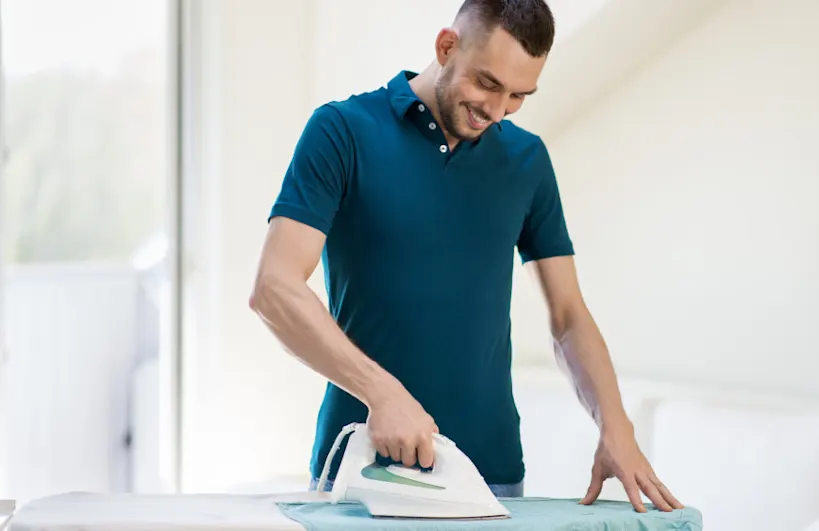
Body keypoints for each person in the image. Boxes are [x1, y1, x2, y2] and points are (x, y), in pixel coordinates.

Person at [249, 0, 681, 512]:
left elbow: (568, 315)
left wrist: (617, 426)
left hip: (491, 480)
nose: (496, 111)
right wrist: (380, 393)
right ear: (446, 46)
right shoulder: (342, 131)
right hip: (361, 473)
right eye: (488, 84)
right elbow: (275, 289)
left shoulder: (527, 161)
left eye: (519, 95)